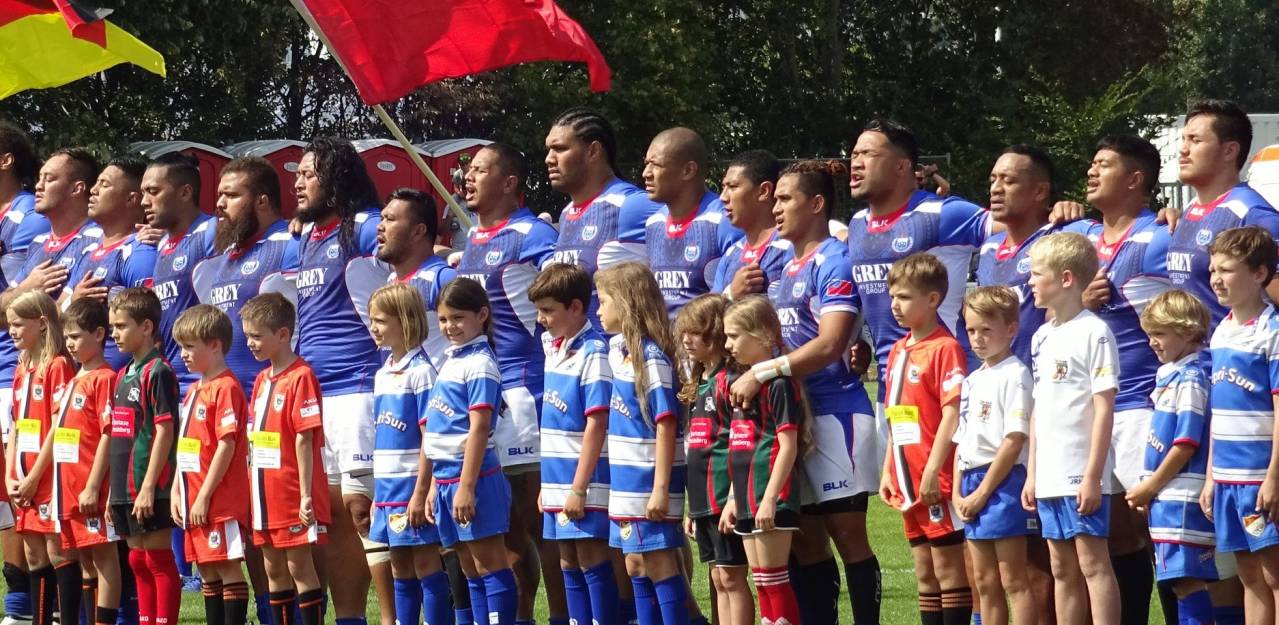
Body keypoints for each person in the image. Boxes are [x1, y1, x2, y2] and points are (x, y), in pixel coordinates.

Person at [735, 160, 880, 625]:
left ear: (816, 204)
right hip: (796, 414)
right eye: (774, 198)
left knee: (847, 533)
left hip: (837, 412)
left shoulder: (834, 259)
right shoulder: (783, 264)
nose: (775, 208)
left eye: (785, 199)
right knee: (805, 537)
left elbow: (832, 341)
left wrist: (764, 371)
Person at [454, 143, 560, 625]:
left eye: (480, 170)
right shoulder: (474, 238)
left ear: (511, 182)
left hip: (525, 392)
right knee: (508, 526)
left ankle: (564, 615)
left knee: (541, 521)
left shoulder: (532, 234)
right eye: (467, 170)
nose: (468, 177)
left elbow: (563, 293)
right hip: (488, 396)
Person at [191, 157, 296, 625]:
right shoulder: (224, 259)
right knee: (246, 528)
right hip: (226, 410)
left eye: (230, 196)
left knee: (277, 531)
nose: (219, 205)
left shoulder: (287, 246)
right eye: (218, 196)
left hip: (271, 408)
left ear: (262, 200)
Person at [293, 136, 387, 625]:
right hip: (315, 396)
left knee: (362, 510)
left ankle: (390, 615)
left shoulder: (367, 227)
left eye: (309, 174)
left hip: (358, 389)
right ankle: (349, 618)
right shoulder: (306, 238)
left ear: (338, 177)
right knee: (327, 516)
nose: (299, 182)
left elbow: (407, 262)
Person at [1078, 135, 1172, 624]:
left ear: (1135, 180)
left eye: (1104, 165)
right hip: (1094, 410)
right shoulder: (1081, 238)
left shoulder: (1158, 236)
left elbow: (1186, 307)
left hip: (1140, 402)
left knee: (1158, 527)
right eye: (1092, 164)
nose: (1092, 171)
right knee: (1114, 530)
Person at [1021, 232, 1121, 625]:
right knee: (1061, 568)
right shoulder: (1043, 335)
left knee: (1093, 564)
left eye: (1036, 274)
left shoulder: (1093, 332)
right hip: (1048, 474)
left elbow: (1104, 406)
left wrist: (1094, 475)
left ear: (1066, 279)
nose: (1029, 281)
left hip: (1081, 470)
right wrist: (1032, 472)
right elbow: (1039, 407)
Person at [877, 253, 972, 625]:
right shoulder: (900, 350)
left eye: (903, 297)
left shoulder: (945, 348)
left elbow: (953, 412)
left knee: (949, 571)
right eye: (892, 296)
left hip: (935, 477)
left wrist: (934, 469)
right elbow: (897, 415)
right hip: (907, 478)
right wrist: (889, 469)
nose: (894, 305)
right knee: (924, 572)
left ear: (932, 300)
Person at [595, 262, 688, 625]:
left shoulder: (650, 359)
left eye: (603, 301)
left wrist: (660, 490)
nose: (598, 310)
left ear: (627, 303)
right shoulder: (620, 354)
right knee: (635, 564)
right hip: (625, 483)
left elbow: (666, 425)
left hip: (649, 482)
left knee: (660, 563)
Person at [422, 278, 518, 625]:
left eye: (458, 318)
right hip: (446, 476)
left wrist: (466, 485)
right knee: (467, 565)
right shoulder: (451, 360)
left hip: (473, 476)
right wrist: (434, 484)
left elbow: (479, 428)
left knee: (489, 562)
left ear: (482, 315)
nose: (449, 327)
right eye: (444, 319)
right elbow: (439, 432)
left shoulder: (480, 362)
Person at [528, 264, 620, 625]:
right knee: (567, 558)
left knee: (590, 557)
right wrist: (548, 487)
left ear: (576, 307)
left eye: (548, 310)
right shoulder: (556, 349)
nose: (541, 319)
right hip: (556, 478)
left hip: (586, 480)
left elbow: (597, 423)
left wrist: (579, 488)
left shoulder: (595, 352)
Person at [1200, 226, 1279, 623]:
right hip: (1228, 478)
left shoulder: (1273, 331)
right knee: (1249, 575)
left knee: (1274, 572)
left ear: (1260, 274)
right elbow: (1218, 409)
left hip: (1258, 477)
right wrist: (1212, 475)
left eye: (1227, 270)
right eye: (1213, 269)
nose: (1216, 278)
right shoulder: (1222, 330)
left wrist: (1273, 477)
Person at [240, 292, 329, 625]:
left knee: (298, 565)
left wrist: (307, 495)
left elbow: (305, 439)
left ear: (282, 334)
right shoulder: (262, 380)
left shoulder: (301, 376)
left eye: (257, 336)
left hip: (292, 490)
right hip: (264, 493)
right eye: (247, 335)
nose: (250, 343)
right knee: (272, 567)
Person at [1129, 290, 1217, 625]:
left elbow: (1186, 443)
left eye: (1160, 334)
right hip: (1166, 496)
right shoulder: (1170, 375)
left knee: (1187, 580)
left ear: (1189, 331)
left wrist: (1150, 486)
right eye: (1149, 334)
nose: (1152, 342)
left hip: (1182, 496)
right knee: (1179, 582)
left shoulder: (1191, 378)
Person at [365, 284, 450, 625]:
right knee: (399, 565)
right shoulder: (383, 372)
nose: (374, 327)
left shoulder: (422, 372)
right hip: (387, 490)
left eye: (381, 320)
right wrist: (376, 494)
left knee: (426, 562)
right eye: (372, 320)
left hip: (412, 487)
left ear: (406, 321)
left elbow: (432, 436)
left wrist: (422, 490)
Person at [952, 286, 1037, 625]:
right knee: (984, 583)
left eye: (987, 330)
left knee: (1013, 579)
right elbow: (962, 440)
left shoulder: (1016, 375)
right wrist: (958, 492)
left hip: (1001, 482)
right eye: (972, 330)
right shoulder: (972, 380)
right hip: (972, 482)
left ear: (1011, 329)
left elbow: (1014, 439)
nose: (978, 338)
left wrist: (982, 492)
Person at [720, 296, 805, 625]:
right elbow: (738, 446)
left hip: (770, 496)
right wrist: (731, 498)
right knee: (762, 584)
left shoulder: (779, 385)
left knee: (774, 581)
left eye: (735, 336)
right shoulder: (740, 385)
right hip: (745, 497)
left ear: (765, 335)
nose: (728, 345)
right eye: (726, 336)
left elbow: (788, 447)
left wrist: (770, 500)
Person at [168, 304, 252, 625]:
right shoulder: (193, 391)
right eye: (180, 346)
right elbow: (186, 447)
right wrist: (179, 488)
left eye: (190, 346)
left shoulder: (226, 388)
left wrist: (204, 494)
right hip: (193, 498)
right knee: (205, 566)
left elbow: (227, 445)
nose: (183, 354)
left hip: (219, 500)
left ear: (215, 345)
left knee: (227, 566)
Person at [542, 107, 658, 329]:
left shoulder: (631, 204)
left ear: (593, 151)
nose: (549, 159)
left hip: (620, 356)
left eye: (560, 149)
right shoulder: (567, 214)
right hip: (577, 358)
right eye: (548, 150)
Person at [1167, 99, 1279, 327]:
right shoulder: (1188, 211)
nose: (1183, 149)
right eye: (1184, 139)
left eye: (1195, 140)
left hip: (1231, 361)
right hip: (1190, 362)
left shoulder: (1255, 216)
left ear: (1229, 151)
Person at [675, 294, 750, 625]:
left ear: (718, 333)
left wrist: (735, 495)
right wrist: (693, 508)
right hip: (704, 499)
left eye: (695, 332)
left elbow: (740, 443)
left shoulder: (731, 381)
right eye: (684, 333)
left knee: (733, 578)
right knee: (718, 579)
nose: (686, 340)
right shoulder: (698, 382)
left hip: (726, 497)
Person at [0, 121, 48, 625]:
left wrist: (15, 297)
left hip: (13, 370)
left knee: (15, 487)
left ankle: (23, 603)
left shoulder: (27, 219)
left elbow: (26, 306)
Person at [5, 289, 76, 625]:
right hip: (22, 476)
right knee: (33, 554)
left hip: (48, 478)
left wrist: (35, 478)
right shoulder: (22, 368)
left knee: (57, 550)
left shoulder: (58, 366)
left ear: (42, 322)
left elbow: (59, 425)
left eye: (19, 324)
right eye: (9, 325)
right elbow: (17, 426)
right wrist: (10, 476)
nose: (12, 332)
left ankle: (71, 617)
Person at [52, 299, 122, 625]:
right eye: (67, 337)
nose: (70, 343)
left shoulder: (105, 378)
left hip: (91, 486)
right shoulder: (74, 378)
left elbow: (109, 434)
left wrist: (94, 485)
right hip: (69, 486)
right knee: (85, 559)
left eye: (77, 336)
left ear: (99, 334)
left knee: (105, 557)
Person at [64, 155, 156, 369]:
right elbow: (60, 311)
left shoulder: (140, 252)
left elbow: (152, 326)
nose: (93, 190)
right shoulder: (88, 250)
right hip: (82, 380)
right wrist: (74, 300)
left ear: (132, 199)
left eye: (104, 184)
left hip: (118, 382)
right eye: (96, 183)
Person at [641, 128, 742, 316]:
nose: (646, 173)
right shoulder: (653, 224)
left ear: (688, 170)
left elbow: (741, 300)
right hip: (665, 343)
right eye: (646, 164)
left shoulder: (724, 221)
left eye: (656, 165)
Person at [142, 152, 218, 393]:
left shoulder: (212, 231)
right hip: (168, 383)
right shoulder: (162, 243)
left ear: (185, 192)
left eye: (153, 192)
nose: (144, 201)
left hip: (202, 385)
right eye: (143, 192)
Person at [376, 189, 456, 365]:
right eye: (382, 218)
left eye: (390, 219)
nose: (380, 226)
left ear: (418, 231)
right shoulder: (390, 281)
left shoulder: (443, 278)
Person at [711, 150, 790, 300]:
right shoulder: (731, 254)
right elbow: (708, 317)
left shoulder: (791, 248)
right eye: (723, 187)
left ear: (764, 191)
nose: (723, 197)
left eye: (733, 187)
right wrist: (731, 294)